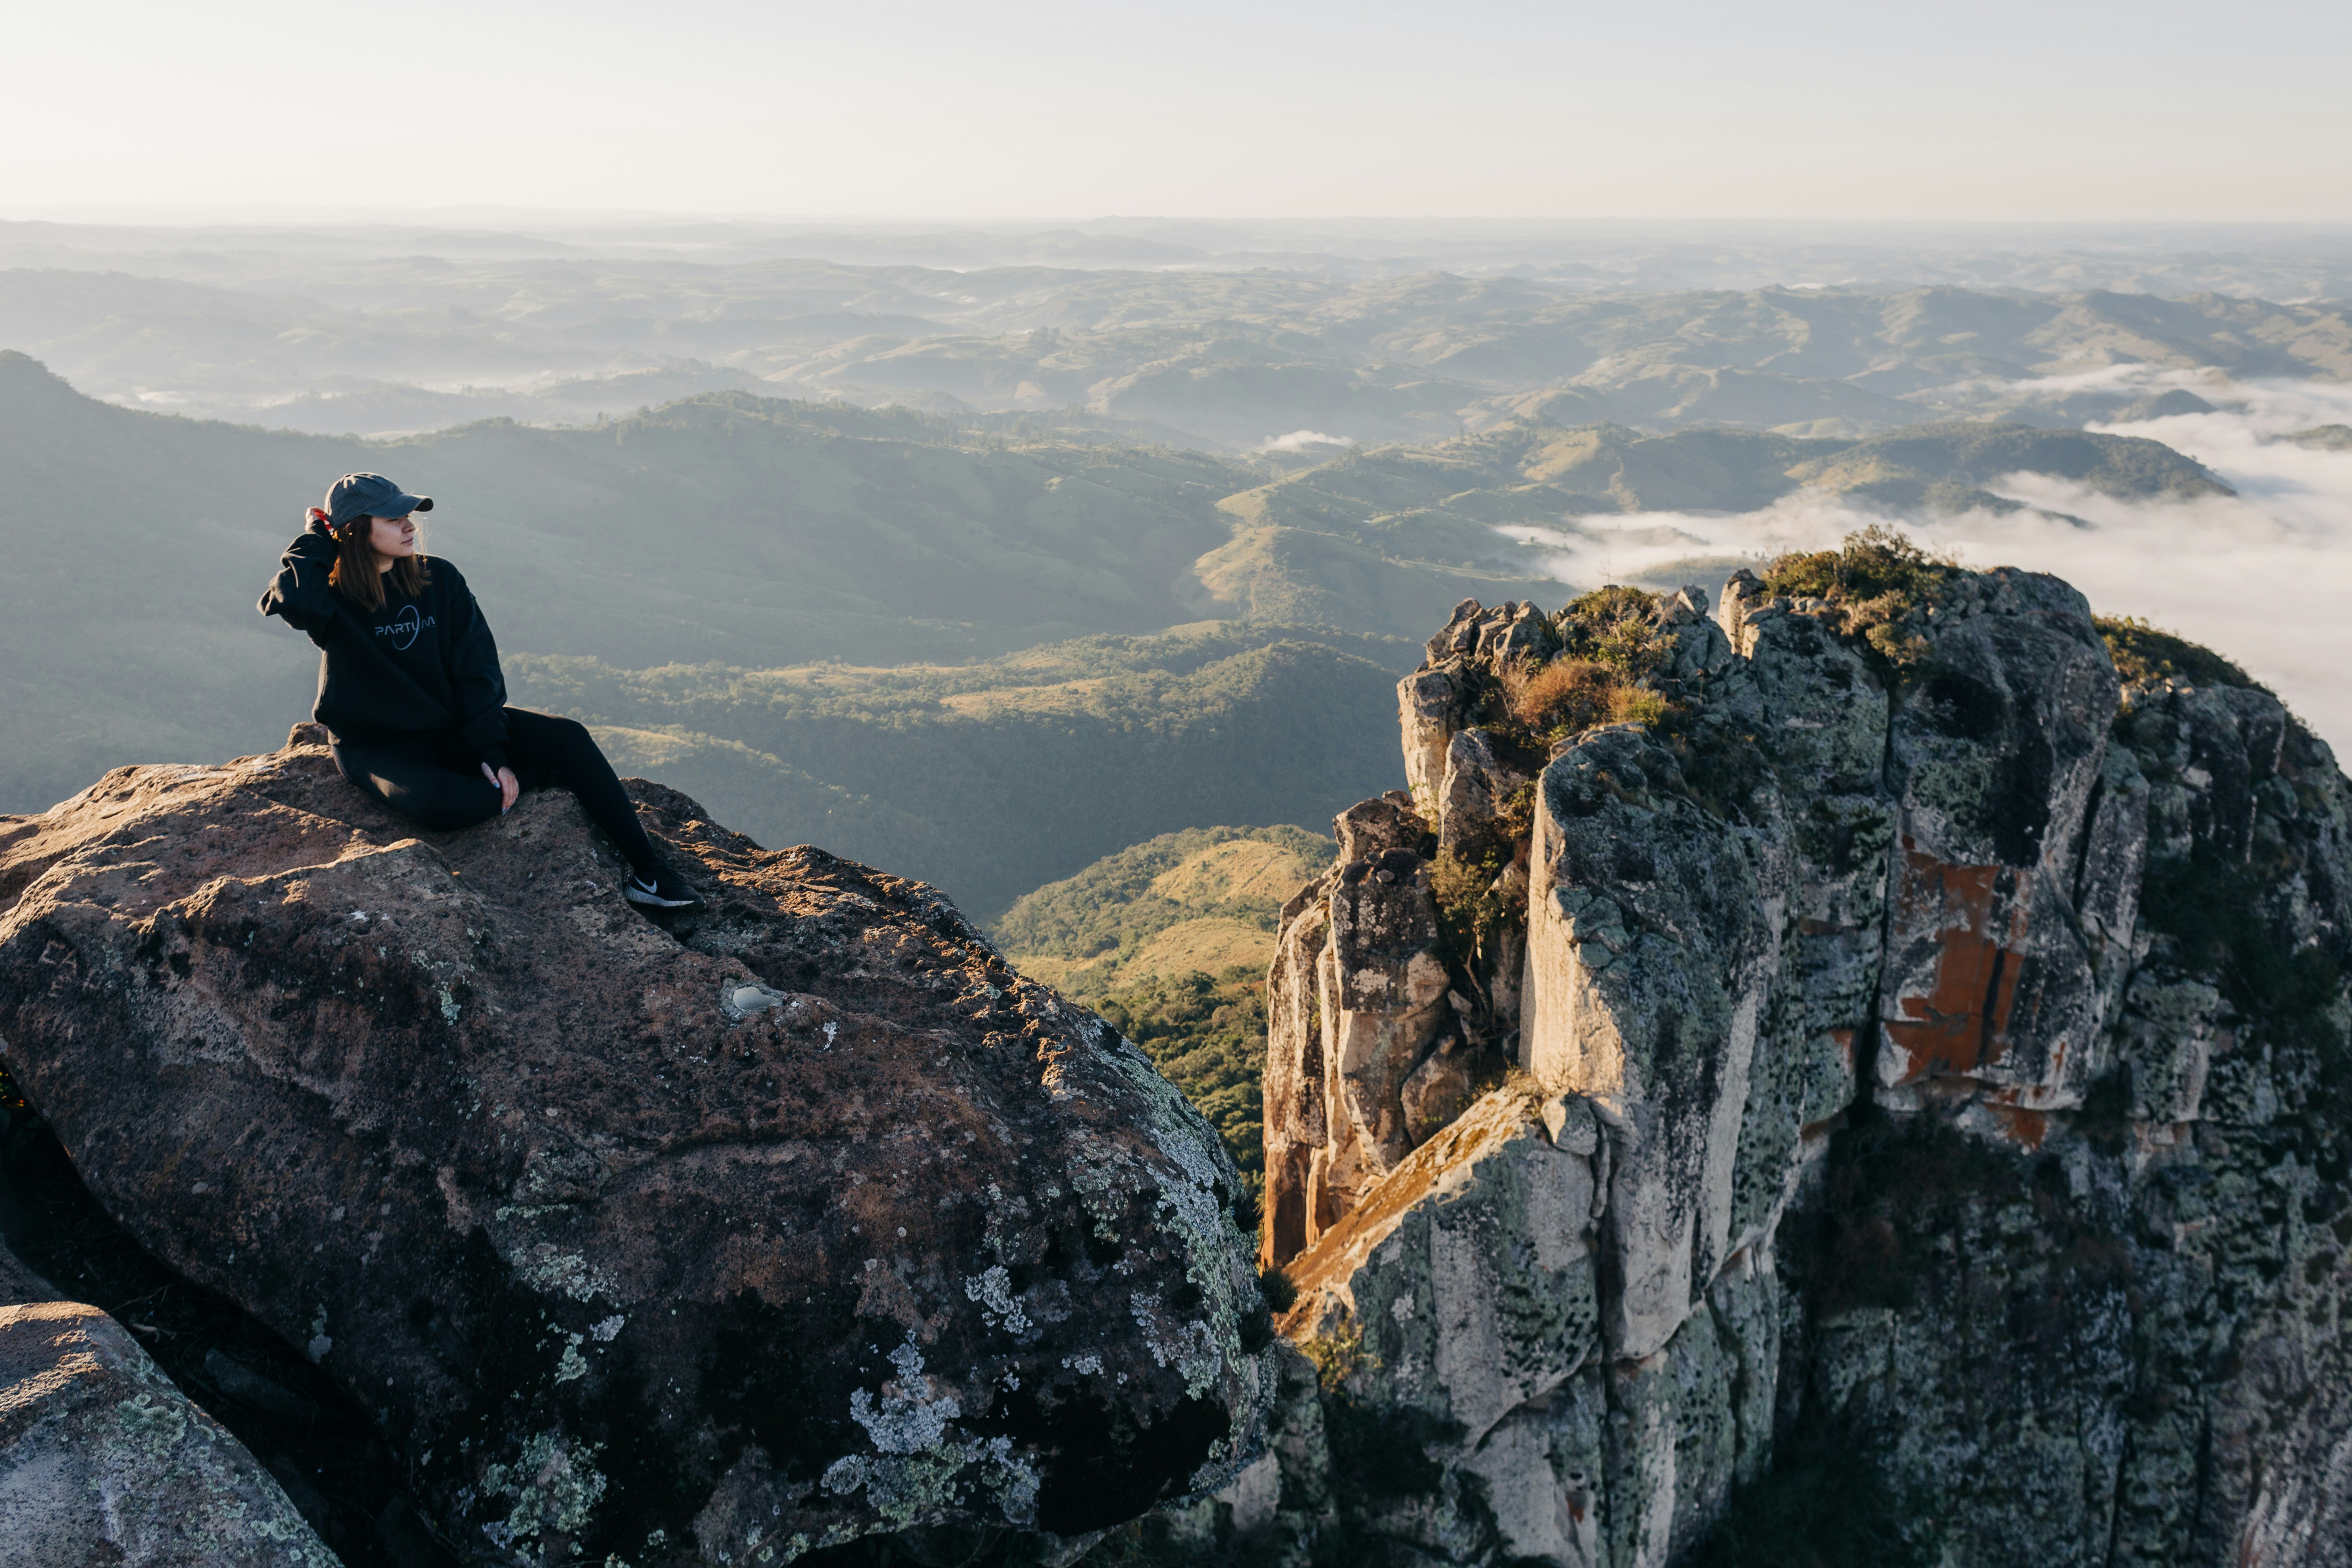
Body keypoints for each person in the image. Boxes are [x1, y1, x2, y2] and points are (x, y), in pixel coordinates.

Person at [260, 472, 703, 910]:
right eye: (394, 519)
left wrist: (491, 749)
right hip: (376, 746)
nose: (410, 526)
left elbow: (477, 666)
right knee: (442, 806)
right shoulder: (331, 599)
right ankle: (539, 777)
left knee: (568, 737)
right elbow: (293, 600)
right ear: (357, 529)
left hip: (448, 725)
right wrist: (319, 535)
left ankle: (651, 875)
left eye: (409, 515)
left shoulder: (438, 578)